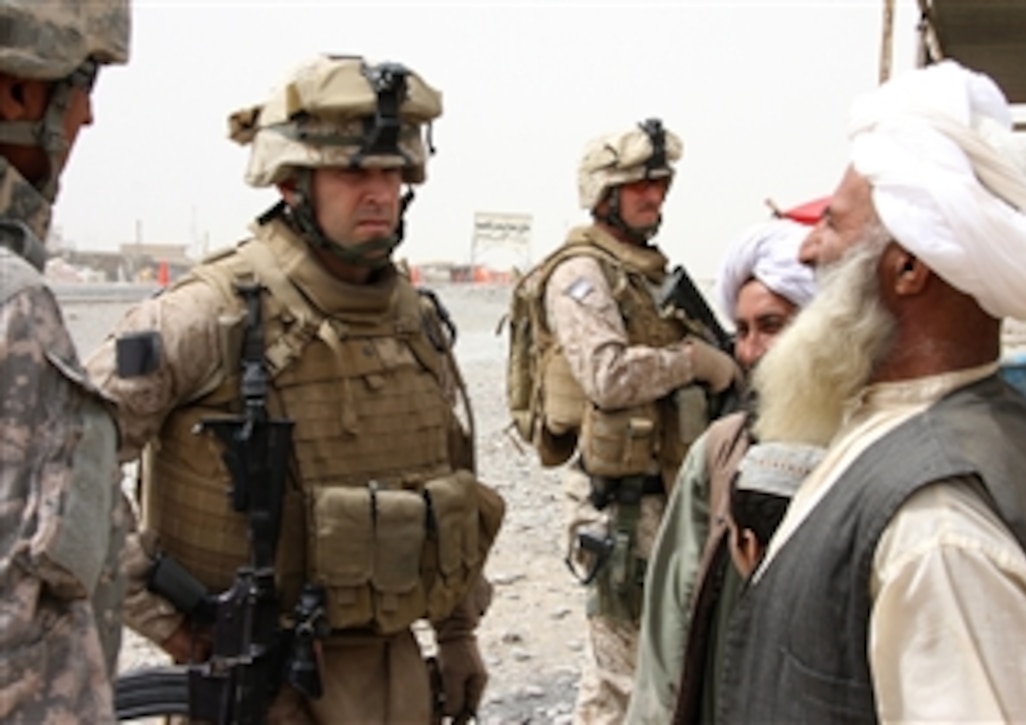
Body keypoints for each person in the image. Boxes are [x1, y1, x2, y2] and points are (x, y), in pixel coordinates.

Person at [85, 54, 505, 724]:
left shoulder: (415, 321)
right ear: (291, 183)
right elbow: (65, 455)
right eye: (354, 171)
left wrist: (457, 634)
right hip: (259, 682)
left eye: (394, 172)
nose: (380, 192)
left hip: (394, 676)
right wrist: (156, 613)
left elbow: (448, 481)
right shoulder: (210, 313)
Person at [719, 60, 1026, 723]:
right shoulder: (943, 422)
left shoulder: (939, 533)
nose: (806, 249)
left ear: (910, 267)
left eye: (832, 224)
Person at [515, 118, 738, 723]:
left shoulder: (644, 271)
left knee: (615, 672)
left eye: (661, 183)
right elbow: (606, 376)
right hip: (617, 504)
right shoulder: (581, 272)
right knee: (635, 675)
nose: (655, 196)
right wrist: (693, 361)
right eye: (640, 185)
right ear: (604, 193)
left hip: (654, 494)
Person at [627, 218, 820, 723]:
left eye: (773, 326)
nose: (752, 351)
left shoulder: (869, 449)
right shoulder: (721, 450)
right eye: (743, 331)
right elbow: (671, 624)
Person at [0, 2, 130, 722]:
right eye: (84, 84)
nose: (86, 117)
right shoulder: (16, 306)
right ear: (20, 90)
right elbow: (18, 657)